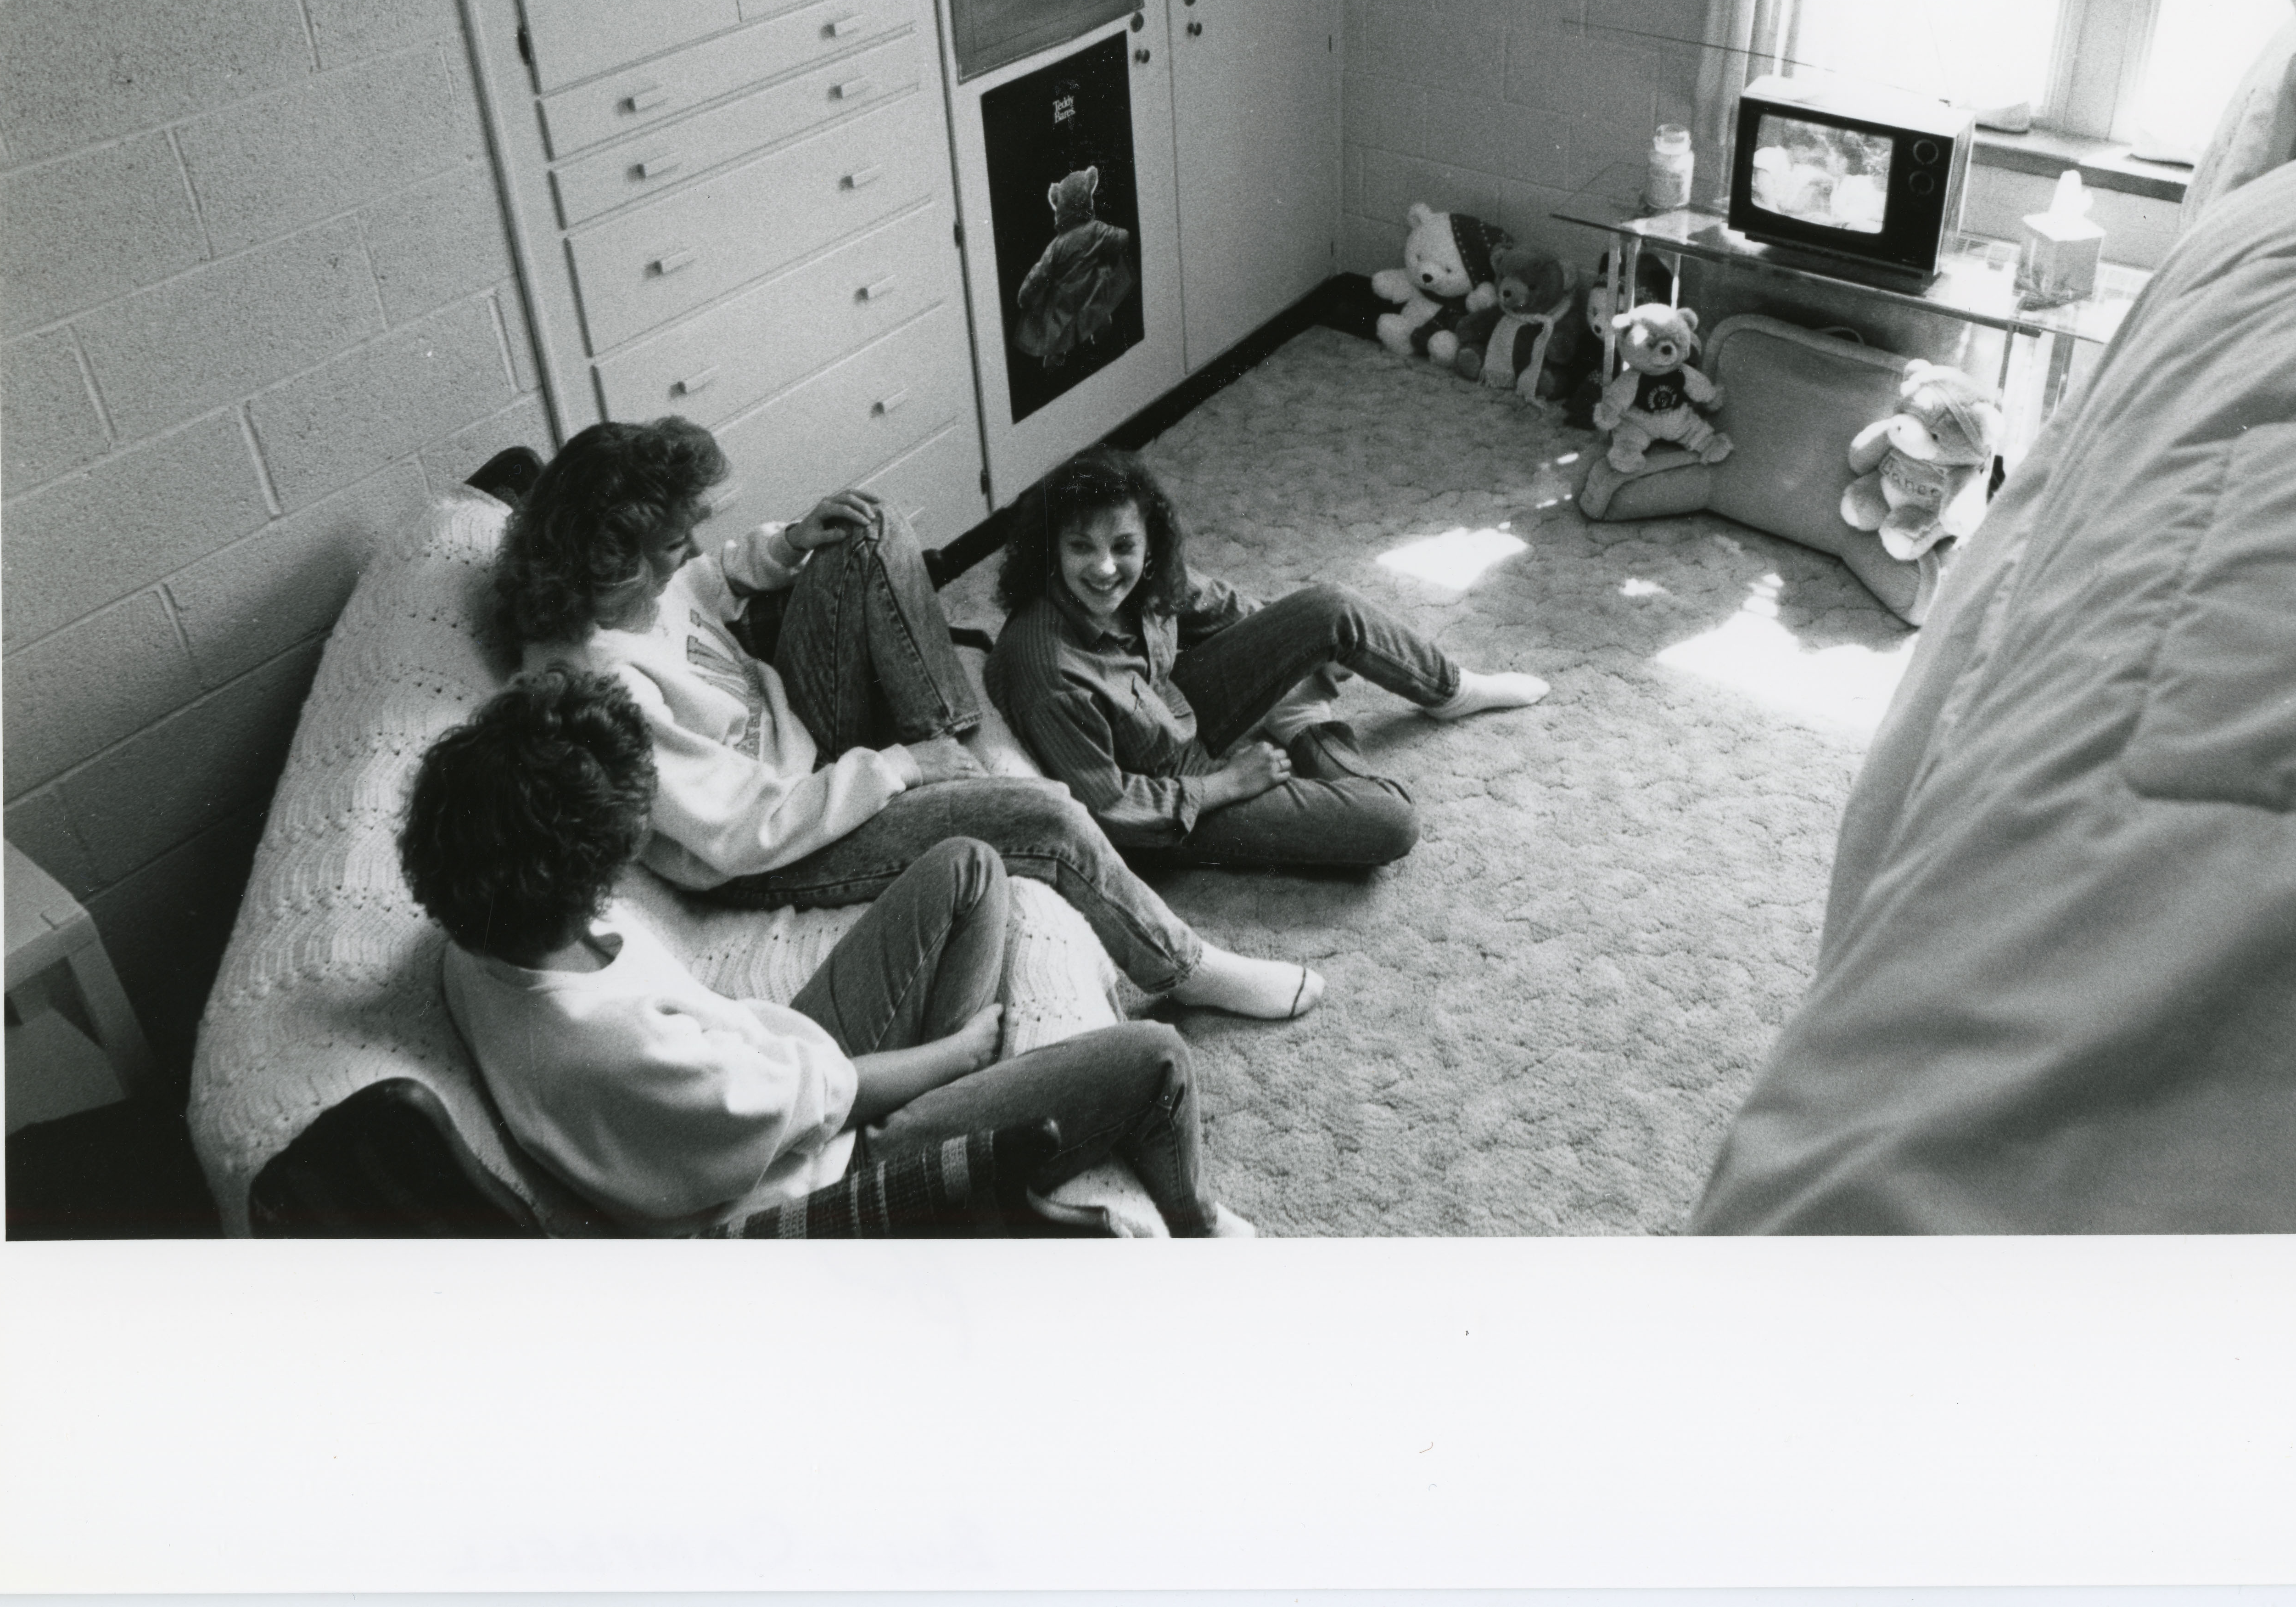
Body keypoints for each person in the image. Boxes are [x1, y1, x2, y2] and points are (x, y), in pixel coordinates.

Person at [497, 418, 1321, 1023]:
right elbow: (741, 832)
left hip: (799, 742)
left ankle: (958, 736)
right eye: (674, 543)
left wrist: (785, 545)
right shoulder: (598, 689)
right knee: (1045, 816)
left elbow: (701, 589)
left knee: (869, 525)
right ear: (614, 559)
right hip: (778, 843)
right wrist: (899, 767)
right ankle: (1185, 965)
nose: (688, 552)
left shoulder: (632, 588)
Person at [400, 666, 1249, 1237]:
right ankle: (1196, 1222)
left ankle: (971, 1117)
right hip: (822, 1180)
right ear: (575, 871)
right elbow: (821, 1099)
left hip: (775, 1079)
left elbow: (774, 1079)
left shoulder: (479, 940)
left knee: (968, 867)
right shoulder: (612, 1047)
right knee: (1157, 1059)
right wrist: (953, 1051)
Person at [985, 447, 1549, 871]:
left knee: (1329, 609)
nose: (1105, 568)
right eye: (1081, 546)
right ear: (1050, 549)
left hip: (1171, 707)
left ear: (1147, 543)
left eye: (1123, 546)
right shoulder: (1048, 669)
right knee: (1388, 820)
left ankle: (1452, 691)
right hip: (1166, 805)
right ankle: (1303, 723)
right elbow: (1110, 807)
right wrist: (1229, 783)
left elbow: (1223, 606)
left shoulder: (1145, 578)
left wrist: (1303, 650)